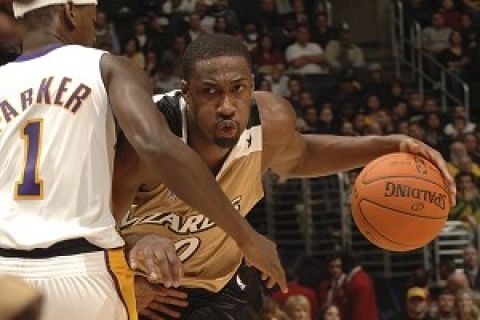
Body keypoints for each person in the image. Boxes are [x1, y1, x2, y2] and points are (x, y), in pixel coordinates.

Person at [115, 33, 456, 319]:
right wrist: (127, 264)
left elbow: (302, 156)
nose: (227, 105)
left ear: (252, 86)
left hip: (216, 285)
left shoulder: (269, 124)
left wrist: (389, 145)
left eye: (238, 89)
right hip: (141, 291)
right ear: (186, 92)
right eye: (211, 92)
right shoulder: (146, 140)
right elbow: (84, 221)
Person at [0, 2, 287, 320]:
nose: (94, 33)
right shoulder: (107, 66)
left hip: (6, 272)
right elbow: (157, 145)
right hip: (82, 263)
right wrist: (246, 237)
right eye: (92, 21)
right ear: (70, 11)